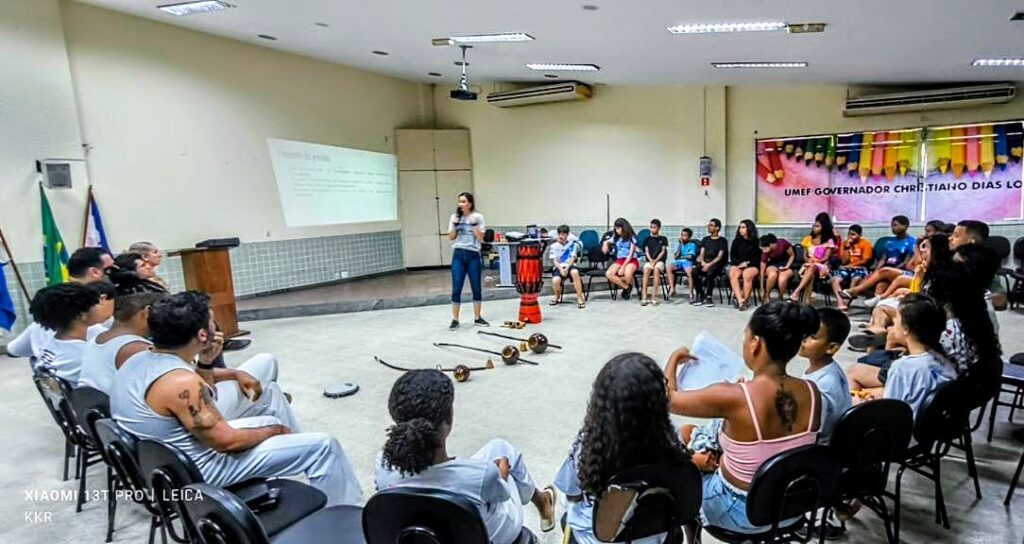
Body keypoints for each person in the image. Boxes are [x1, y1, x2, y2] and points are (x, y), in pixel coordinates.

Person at [111, 292, 362, 506]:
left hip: (165, 466)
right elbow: (226, 443)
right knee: (323, 447)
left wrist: (207, 361)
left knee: (267, 411)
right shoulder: (181, 383)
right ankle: (347, 519)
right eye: (211, 320)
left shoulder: (138, 358)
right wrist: (275, 431)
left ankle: (295, 470)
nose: (215, 324)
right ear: (202, 335)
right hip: (200, 474)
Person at [666, 302, 822, 535]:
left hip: (742, 512)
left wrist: (674, 359)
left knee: (678, 470)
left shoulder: (735, 397)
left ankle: (692, 537)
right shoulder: (812, 391)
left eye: (745, 336)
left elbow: (669, 399)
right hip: (790, 508)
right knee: (695, 437)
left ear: (755, 344)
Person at [374, 369, 556, 543]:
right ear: (449, 419)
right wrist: (500, 475)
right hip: (490, 536)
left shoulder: (382, 464)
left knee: (497, 446)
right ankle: (543, 504)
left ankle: (542, 501)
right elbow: (502, 495)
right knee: (505, 452)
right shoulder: (480, 476)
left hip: (416, 534)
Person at [555, 353, 691, 544]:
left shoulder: (587, 445)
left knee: (567, 516)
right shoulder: (671, 439)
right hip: (655, 536)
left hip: (599, 538)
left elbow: (572, 495)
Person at [854, 295, 957, 416]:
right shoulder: (945, 360)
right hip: (932, 425)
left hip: (903, 429)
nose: (893, 323)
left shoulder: (901, 368)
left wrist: (860, 403)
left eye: (896, 318)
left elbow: (889, 413)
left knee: (852, 400)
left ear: (906, 329)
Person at [5, 247, 115, 359]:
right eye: (111, 269)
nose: (116, 272)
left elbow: (12, 350)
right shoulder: (86, 315)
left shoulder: (51, 310)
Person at [79, 292, 167, 393]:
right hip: (113, 407)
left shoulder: (95, 339)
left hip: (88, 405)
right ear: (146, 312)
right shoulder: (136, 348)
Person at [30, 282, 115, 381]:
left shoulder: (51, 345)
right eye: (94, 304)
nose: (100, 306)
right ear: (81, 315)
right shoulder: (87, 356)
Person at [798, 308, 852, 441]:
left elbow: (812, 434)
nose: (803, 339)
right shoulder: (828, 369)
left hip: (820, 450)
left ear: (831, 347)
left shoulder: (821, 386)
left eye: (813, 336)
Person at [840, 215, 915, 306]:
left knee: (885, 271)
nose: (892, 228)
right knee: (879, 286)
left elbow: (906, 262)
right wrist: (874, 273)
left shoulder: (912, 242)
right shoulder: (890, 242)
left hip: (901, 271)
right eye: (892, 225)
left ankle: (853, 291)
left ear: (904, 226)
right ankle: (876, 312)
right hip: (885, 271)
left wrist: (889, 270)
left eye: (895, 225)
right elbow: (882, 260)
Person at [447, 192, 488, 330]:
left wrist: (474, 224)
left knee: (476, 287)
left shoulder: (478, 217)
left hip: (473, 254)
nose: (461, 204)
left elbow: (481, 237)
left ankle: (477, 317)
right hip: (458, 254)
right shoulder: (454, 217)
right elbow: (451, 237)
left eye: (463, 202)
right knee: (456, 287)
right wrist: (455, 224)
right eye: (459, 202)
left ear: (470, 203)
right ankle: (455, 319)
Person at [791, 213, 838, 304]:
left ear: (823, 227)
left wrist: (817, 261)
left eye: (817, 226)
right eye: (814, 225)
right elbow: (805, 256)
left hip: (822, 266)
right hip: (808, 265)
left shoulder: (829, 241)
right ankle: (808, 302)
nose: (814, 228)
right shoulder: (807, 239)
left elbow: (826, 257)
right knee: (811, 273)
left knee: (812, 267)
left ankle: (797, 291)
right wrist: (808, 259)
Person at [831, 224, 873, 312]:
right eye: (849, 234)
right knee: (835, 280)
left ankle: (846, 304)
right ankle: (841, 303)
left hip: (860, 268)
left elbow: (865, 261)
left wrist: (851, 266)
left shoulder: (866, 243)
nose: (850, 237)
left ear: (859, 235)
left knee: (856, 279)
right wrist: (847, 248)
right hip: (846, 268)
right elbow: (843, 261)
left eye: (853, 234)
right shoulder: (845, 244)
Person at [692, 218, 728, 308]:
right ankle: (700, 294)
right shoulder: (705, 239)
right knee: (694, 272)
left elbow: (720, 256)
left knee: (710, 273)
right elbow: (702, 252)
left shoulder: (722, 241)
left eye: (711, 225)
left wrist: (709, 265)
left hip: (716, 263)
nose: (708, 227)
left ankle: (709, 297)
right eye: (709, 225)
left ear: (717, 228)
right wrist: (703, 262)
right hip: (705, 261)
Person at [547, 225, 585, 308]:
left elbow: (572, 258)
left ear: (568, 235)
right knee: (555, 280)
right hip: (559, 267)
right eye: (560, 234)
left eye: (564, 234)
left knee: (575, 272)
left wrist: (567, 268)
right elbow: (555, 261)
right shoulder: (554, 246)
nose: (561, 236)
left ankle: (580, 297)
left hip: (570, 265)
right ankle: (557, 296)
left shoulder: (573, 245)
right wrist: (561, 270)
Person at [728, 220, 761, 311]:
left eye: (743, 227)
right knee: (733, 273)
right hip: (739, 264)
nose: (740, 230)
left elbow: (758, 258)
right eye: (740, 227)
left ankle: (746, 300)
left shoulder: (756, 242)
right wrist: (739, 264)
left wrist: (747, 263)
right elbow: (733, 256)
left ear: (749, 228)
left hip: (752, 265)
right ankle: (740, 300)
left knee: (747, 274)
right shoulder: (736, 241)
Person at [603, 218, 639, 300]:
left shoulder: (632, 237)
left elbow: (630, 255)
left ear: (624, 227)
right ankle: (627, 287)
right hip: (620, 259)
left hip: (631, 260)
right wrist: (605, 244)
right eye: (615, 228)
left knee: (627, 273)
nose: (616, 230)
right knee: (608, 274)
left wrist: (623, 267)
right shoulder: (616, 237)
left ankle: (628, 285)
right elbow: (608, 241)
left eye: (618, 228)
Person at [759, 234, 795, 304]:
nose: (764, 251)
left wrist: (787, 266)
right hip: (773, 265)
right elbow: (762, 271)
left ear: (771, 245)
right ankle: (767, 295)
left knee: (782, 279)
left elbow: (792, 255)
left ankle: (780, 296)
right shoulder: (765, 253)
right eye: (762, 249)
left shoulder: (783, 243)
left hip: (786, 263)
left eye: (765, 249)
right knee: (772, 275)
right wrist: (761, 289)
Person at [640, 219, 669, 306]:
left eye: (654, 227)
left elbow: (663, 251)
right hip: (650, 260)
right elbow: (646, 251)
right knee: (646, 271)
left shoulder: (663, 239)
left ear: (659, 228)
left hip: (659, 261)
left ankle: (654, 297)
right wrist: (650, 260)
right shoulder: (647, 239)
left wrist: (655, 261)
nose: (652, 229)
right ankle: (644, 296)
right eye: (651, 227)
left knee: (656, 270)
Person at [666, 228, 698, 299]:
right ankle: (672, 288)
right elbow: (676, 257)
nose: (682, 237)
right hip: (678, 262)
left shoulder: (692, 245)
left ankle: (691, 293)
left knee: (689, 272)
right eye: (682, 235)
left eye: (685, 235)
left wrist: (681, 256)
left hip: (687, 262)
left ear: (689, 237)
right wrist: (680, 245)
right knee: (669, 268)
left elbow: (690, 256)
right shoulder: (678, 244)